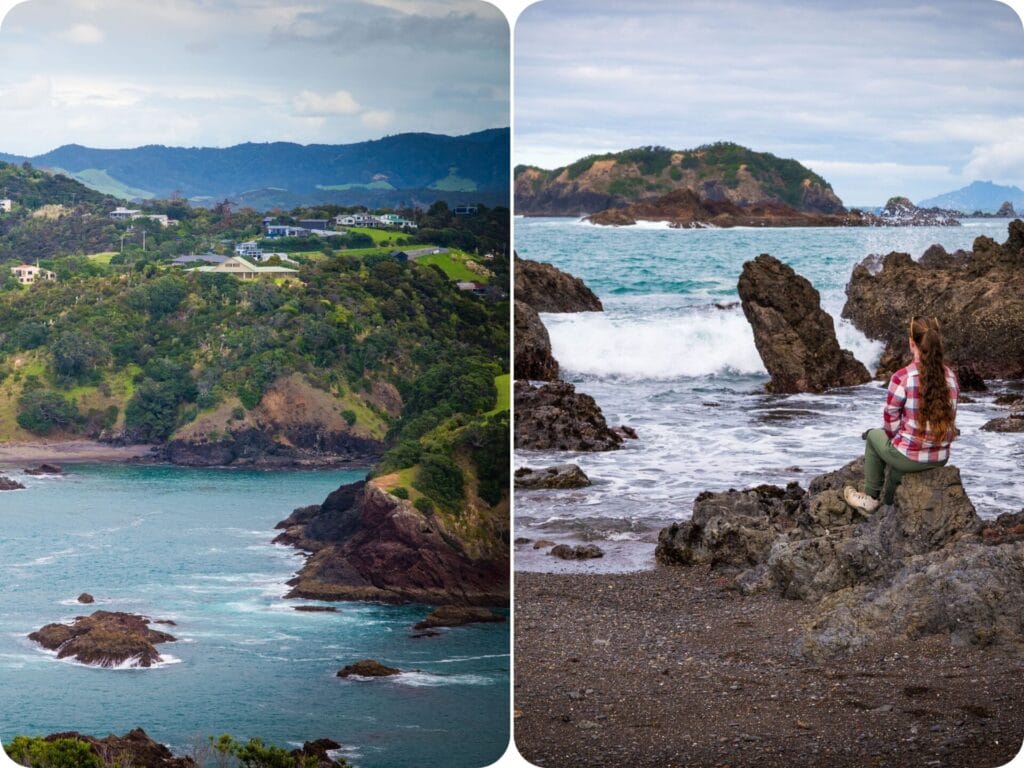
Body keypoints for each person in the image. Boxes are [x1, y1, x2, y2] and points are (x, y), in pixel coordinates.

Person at [844, 315, 960, 512]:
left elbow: (890, 421)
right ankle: (889, 506)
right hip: (940, 457)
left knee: (872, 436)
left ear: (911, 343)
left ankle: (870, 497)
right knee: (895, 482)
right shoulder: (950, 377)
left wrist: (896, 441)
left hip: (910, 458)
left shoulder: (902, 377)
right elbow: (951, 417)